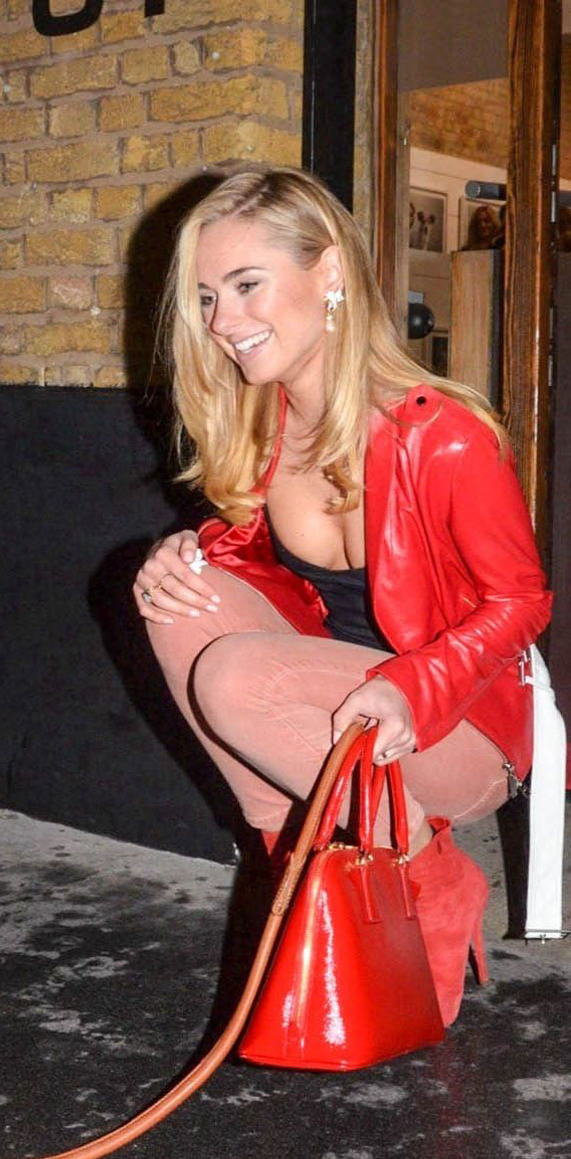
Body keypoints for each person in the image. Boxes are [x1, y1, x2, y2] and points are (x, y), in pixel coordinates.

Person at [133, 167, 553, 1025]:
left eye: (248, 286)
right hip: (339, 713)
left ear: (329, 274)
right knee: (177, 600)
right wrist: (190, 553)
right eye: (208, 298)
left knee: (234, 679)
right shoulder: (262, 423)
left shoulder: (444, 436)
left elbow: (521, 604)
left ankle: (434, 873)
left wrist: (413, 684)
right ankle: (298, 867)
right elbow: (261, 559)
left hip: (459, 725)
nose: (224, 323)